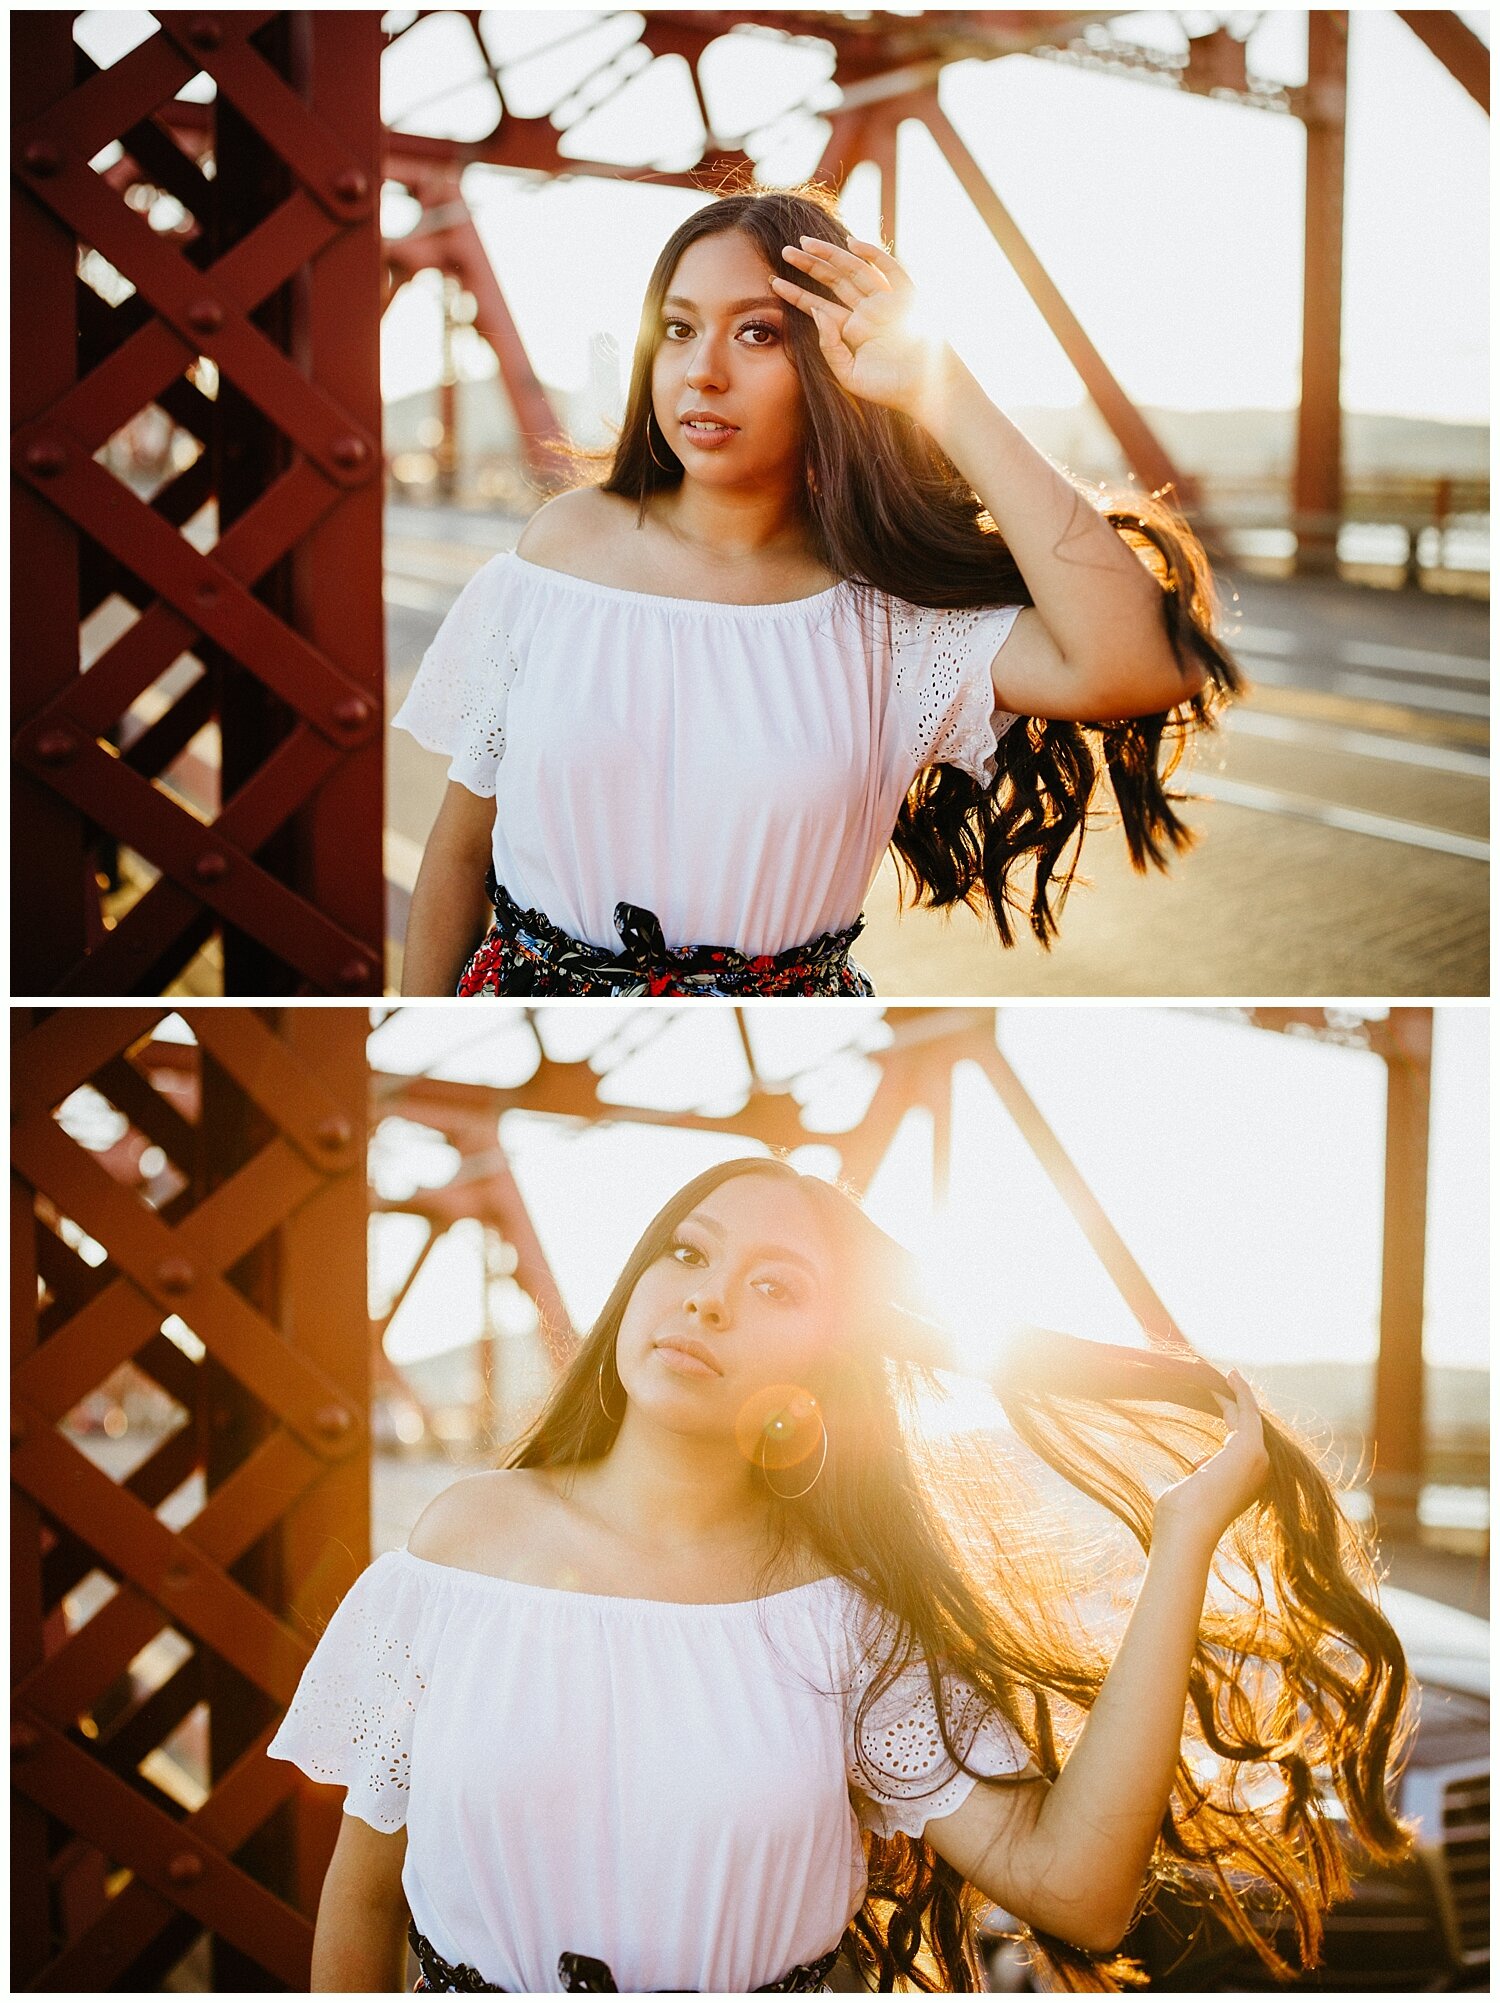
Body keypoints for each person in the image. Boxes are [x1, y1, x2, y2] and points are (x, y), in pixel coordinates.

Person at [268, 1157, 1411, 1993]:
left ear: (831, 1361)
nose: (708, 1294)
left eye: (777, 1286)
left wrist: (1183, 1539)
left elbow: (1075, 1885)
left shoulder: (847, 1622)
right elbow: (363, 1900)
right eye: (687, 1249)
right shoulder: (462, 1547)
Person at [394, 180, 1243, 997]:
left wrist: (941, 389)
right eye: (679, 329)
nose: (703, 372)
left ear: (832, 362)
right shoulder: (561, 549)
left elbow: (1141, 661)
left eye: (757, 333)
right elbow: (462, 849)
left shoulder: (896, 621)